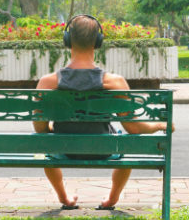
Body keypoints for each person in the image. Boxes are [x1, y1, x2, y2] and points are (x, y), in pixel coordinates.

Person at [33, 15, 174, 209]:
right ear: (98, 42)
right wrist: (159, 124)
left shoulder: (47, 82)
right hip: (104, 148)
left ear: (67, 40)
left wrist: (50, 127)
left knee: (45, 143)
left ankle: (64, 198)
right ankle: (112, 199)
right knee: (125, 142)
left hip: (63, 147)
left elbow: (39, 128)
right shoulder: (115, 83)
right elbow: (133, 128)